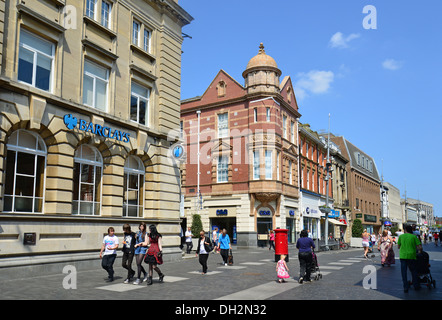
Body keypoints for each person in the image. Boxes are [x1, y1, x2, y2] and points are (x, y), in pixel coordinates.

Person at [397, 224, 422, 293]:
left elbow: (398, 246)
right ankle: (416, 285)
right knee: (413, 271)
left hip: (403, 256)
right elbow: (420, 247)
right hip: (412, 256)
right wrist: (419, 251)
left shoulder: (401, 236)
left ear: (405, 230)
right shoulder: (414, 237)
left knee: (404, 272)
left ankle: (405, 287)